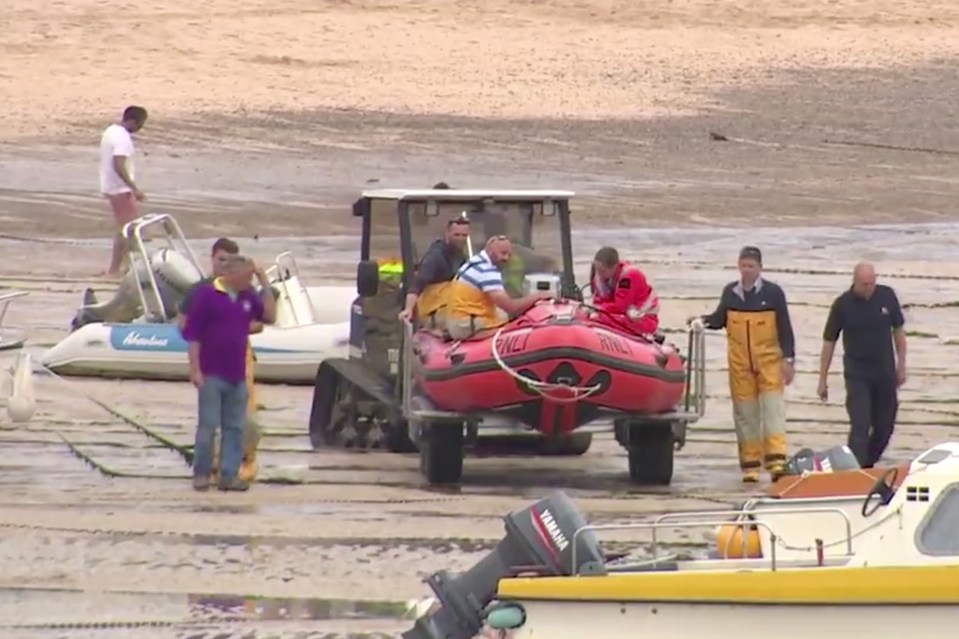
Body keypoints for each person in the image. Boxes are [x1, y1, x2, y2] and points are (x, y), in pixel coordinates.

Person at [690, 246, 796, 483]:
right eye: (743, 265)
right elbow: (719, 319)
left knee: (772, 412)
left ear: (760, 268)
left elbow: (785, 329)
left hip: (769, 362)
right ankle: (750, 466)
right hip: (740, 364)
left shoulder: (774, 293)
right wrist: (702, 321)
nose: (747, 270)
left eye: (751, 266)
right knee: (745, 414)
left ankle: (776, 461)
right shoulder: (730, 293)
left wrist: (788, 359)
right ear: (738, 266)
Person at [179, 238, 276, 484]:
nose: (249, 281)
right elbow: (193, 335)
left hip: (237, 374)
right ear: (232, 274)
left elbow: (269, 317)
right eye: (247, 276)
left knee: (235, 428)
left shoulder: (247, 295)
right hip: (211, 373)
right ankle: (201, 473)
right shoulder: (206, 295)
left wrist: (264, 282)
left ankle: (229, 475)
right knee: (208, 427)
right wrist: (195, 370)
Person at [817, 262, 907, 469]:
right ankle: (853, 472)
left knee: (885, 427)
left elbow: (899, 333)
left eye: (872, 283)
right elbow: (829, 342)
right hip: (857, 374)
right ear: (854, 282)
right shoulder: (842, 305)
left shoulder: (887, 296)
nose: (869, 288)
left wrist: (901, 365)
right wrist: (823, 378)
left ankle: (867, 464)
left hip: (885, 372)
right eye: (864, 284)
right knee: (860, 425)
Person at [446, 236, 553, 340]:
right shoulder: (487, 271)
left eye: (508, 254)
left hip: (458, 321)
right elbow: (512, 308)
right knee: (515, 325)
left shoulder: (474, 262)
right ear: (491, 252)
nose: (506, 258)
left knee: (502, 315)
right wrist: (539, 296)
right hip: (467, 326)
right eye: (503, 253)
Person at [100, 106, 148, 277]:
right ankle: (116, 269)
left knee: (127, 229)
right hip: (120, 188)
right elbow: (118, 164)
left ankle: (125, 267)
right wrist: (135, 189)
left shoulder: (111, 131)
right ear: (133, 121)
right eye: (141, 124)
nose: (140, 128)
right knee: (129, 229)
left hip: (112, 186)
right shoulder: (122, 139)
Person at [398, 217, 470, 328]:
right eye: (456, 235)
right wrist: (408, 309)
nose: (460, 239)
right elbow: (416, 286)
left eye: (464, 236)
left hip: (454, 306)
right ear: (447, 233)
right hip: (433, 311)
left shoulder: (461, 255)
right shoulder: (435, 256)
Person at [589, 246, 659, 334]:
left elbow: (620, 306)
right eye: (597, 270)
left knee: (600, 318)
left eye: (602, 271)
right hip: (619, 315)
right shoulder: (600, 279)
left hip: (643, 319)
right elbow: (598, 302)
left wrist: (599, 309)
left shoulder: (629, 276)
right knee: (595, 317)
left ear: (614, 267)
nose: (599, 274)